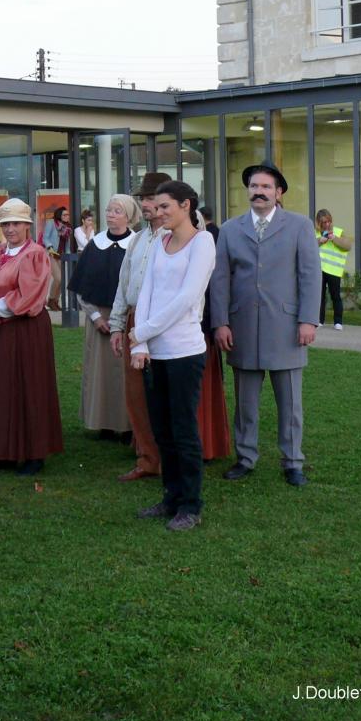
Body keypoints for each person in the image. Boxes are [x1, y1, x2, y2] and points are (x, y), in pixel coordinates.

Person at [209, 161, 321, 487]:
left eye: (266, 187)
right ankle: (245, 457)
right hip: (241, 328)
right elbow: (220, 280)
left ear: (279, 192)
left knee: (290, 404)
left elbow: (310, 278)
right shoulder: (230, 229)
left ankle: (292, 461)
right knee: (245, 403)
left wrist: (307, 320)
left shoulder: (300, 226)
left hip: (286, 328)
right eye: (254, 186)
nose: (259, 192)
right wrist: (220, 323)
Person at [130, 181, 217, 531]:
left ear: (186, 205)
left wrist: (143, 331)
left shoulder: (203, 242)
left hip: (184, 351)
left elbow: (186, 298)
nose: (159, 212)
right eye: (157, 206)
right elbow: (147, 290)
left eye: (166, 206)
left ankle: (191, 504)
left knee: (183, 431)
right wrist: (141, 344)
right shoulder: (160, 242)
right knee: (162, 430)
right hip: (156, 352)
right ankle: (171, 497)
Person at [0, 199, 63, 476]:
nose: (10, 229)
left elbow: (27, 294)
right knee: (1, 387)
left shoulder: (36, 254)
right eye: (6, 224)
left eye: (16, 223)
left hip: (26, 328)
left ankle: (33, 452)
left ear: (27, 226)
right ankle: (4, 450)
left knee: (30, 387)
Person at [108, 172, 171, 481]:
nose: (145, 204)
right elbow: (124, 284)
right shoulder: (139, 238)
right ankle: (147, 458)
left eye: (151, 199)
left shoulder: (177, 236)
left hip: (165, 323)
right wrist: (118, 324)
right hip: (135, 318)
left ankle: (170, 458)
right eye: (143, 199)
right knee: (136, 394)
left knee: (166, 392)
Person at [69, 194, 140, 438]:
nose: (111, 214)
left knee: (127, 373)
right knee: (100, 374)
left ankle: (129, 425)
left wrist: (123, 318)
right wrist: (96, 317)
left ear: (129, 216)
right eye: (109, 210)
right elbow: (81, 288)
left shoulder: (137, 244)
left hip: (129, 318)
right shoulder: (94, 245)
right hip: (98, 318)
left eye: (117, 211)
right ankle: (104, 423)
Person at [195, 209, 232, 463]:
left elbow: (215, 287)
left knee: (201, 392)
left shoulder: (207, 248)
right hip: (176, 332)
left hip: (201, 330)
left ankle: (206, 443)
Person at [315, 209, 351, 329]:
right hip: (319, 270)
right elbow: (307, 246)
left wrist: (334, 238)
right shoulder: (315, 233)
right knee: (319, 296)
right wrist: (319, 241)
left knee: (335, 296)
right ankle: (319, 320)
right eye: (323, 222)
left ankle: (338, 322)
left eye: (328, 221)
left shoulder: (339, 232)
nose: (327, 224)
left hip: (334, 271)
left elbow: (347, 246)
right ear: (318, 223)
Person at [40, 206, 72, 310]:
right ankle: (50, 299)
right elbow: (45, 237)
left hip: (61, 255)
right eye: (64, 215)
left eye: (68, 215)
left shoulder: (67, 227)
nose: (67, 216)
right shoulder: (52, 223)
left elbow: (67, 243)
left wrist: (68, 254)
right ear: (59, 215)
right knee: (58, 278)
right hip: (51, 253)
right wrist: (50, 247)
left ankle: (55, 301)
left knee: (62, 280)